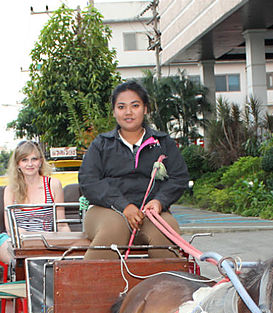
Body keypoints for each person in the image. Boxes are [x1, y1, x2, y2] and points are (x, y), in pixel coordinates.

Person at [78, 80, 190, 260]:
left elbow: (179, 178)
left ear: (145, 109)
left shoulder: (163, 143)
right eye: (121, 107)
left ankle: (166, 286)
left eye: (135, 105)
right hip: (106, 210)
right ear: (114, 111)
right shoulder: (101, 144)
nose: (128, 112)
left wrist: (159, 202)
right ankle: (89, 285)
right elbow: (89, 182)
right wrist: (124, 206)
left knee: (165, 230)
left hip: (152, 213)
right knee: (115, 228)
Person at [0, 140, 69, 264]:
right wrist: (33, 238)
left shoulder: (53, 185)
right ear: (18, 164)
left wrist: (71, 245)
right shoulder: (10, 190)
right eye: (24, 160)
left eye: (34, 159)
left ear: (40, 162)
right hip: (16, 239)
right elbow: (10, 229)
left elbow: (61, 224)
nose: (30, 164)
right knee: (13, 254)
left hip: (46, 240)